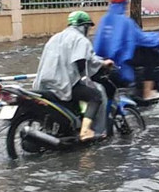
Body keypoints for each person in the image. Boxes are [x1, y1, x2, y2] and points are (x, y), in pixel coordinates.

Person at [34, 10, 112, 142]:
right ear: (84, 26)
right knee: (95, 96)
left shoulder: (55, 37)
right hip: (62, 84)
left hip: (44, 83)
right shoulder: (80, 40)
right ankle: (85, 131)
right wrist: (94, 71)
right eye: (88, 27)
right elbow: (81, 61)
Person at [92, 0, 159, 103]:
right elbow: (140, 37)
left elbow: (99, 40)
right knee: (153, 58)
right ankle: (148, 92)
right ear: (124, 3)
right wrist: (156, 37)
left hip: (108, 58)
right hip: (124, 57)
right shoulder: (125, 21)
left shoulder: (105, 20)